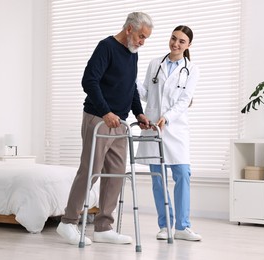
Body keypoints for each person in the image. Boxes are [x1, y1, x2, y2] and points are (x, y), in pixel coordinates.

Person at [56, 12, 153, 245]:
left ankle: (103, 227)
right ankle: (67, 222)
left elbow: (130, 88)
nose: (142, 42)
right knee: (90, 171)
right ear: (129, 29)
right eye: (141, 36)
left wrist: (138, 113)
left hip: (119, 123)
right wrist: (105, 111)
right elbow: (89, 80)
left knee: (116, 174)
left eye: (145, 39)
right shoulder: (106, 47)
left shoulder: (132, 54)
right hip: (98, 119)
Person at [136, 25, 202, 241]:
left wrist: (169, 116)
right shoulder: (156, 63)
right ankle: (165, 226)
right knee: (158, 179)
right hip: (153, 126)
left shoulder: (191, 69)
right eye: (173, 38)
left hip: (176, 127)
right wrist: (132, 81)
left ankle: (183, 227)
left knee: (182, 175)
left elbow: (185, 100)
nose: (175, 43)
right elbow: (146, 93)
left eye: (181, 41)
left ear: (188, 45)